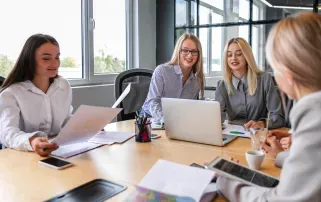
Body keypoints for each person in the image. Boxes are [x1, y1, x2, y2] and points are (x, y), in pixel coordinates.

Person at [217, 12, 321, 201]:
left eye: (275, 66)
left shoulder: (315, 116)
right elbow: (314, 165)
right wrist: (281, 156)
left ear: (288, 72)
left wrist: (226, 182)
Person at [0, 34, 72, 157]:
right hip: (22, 156)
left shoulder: (63, 85)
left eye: (57, 57)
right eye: (46, 58)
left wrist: (89, 126)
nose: (55, 63)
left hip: (56, 152)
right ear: (29, 60)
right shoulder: (11, 93)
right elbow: (7, 133)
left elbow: (65, 119)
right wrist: (32, 141)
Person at [215, 37, 285, 129]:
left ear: (247, 56)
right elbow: (216, 118)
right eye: (229, 55)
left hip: (257, 134)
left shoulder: (264, 80)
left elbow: (278, 117)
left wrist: (262, 123)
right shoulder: (222, 85)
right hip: (233, 133)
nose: (233, 58)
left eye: (239, 54)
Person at [142, 33, 204, 122]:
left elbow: (188, 109)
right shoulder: (162, 71)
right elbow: (153, 102)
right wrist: (166, 121)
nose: (190, 55)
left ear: (198, 55)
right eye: (185, 50)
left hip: (174, 122)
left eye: (194, 51)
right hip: (149, 119)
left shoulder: (196, 82)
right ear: (178, 51)